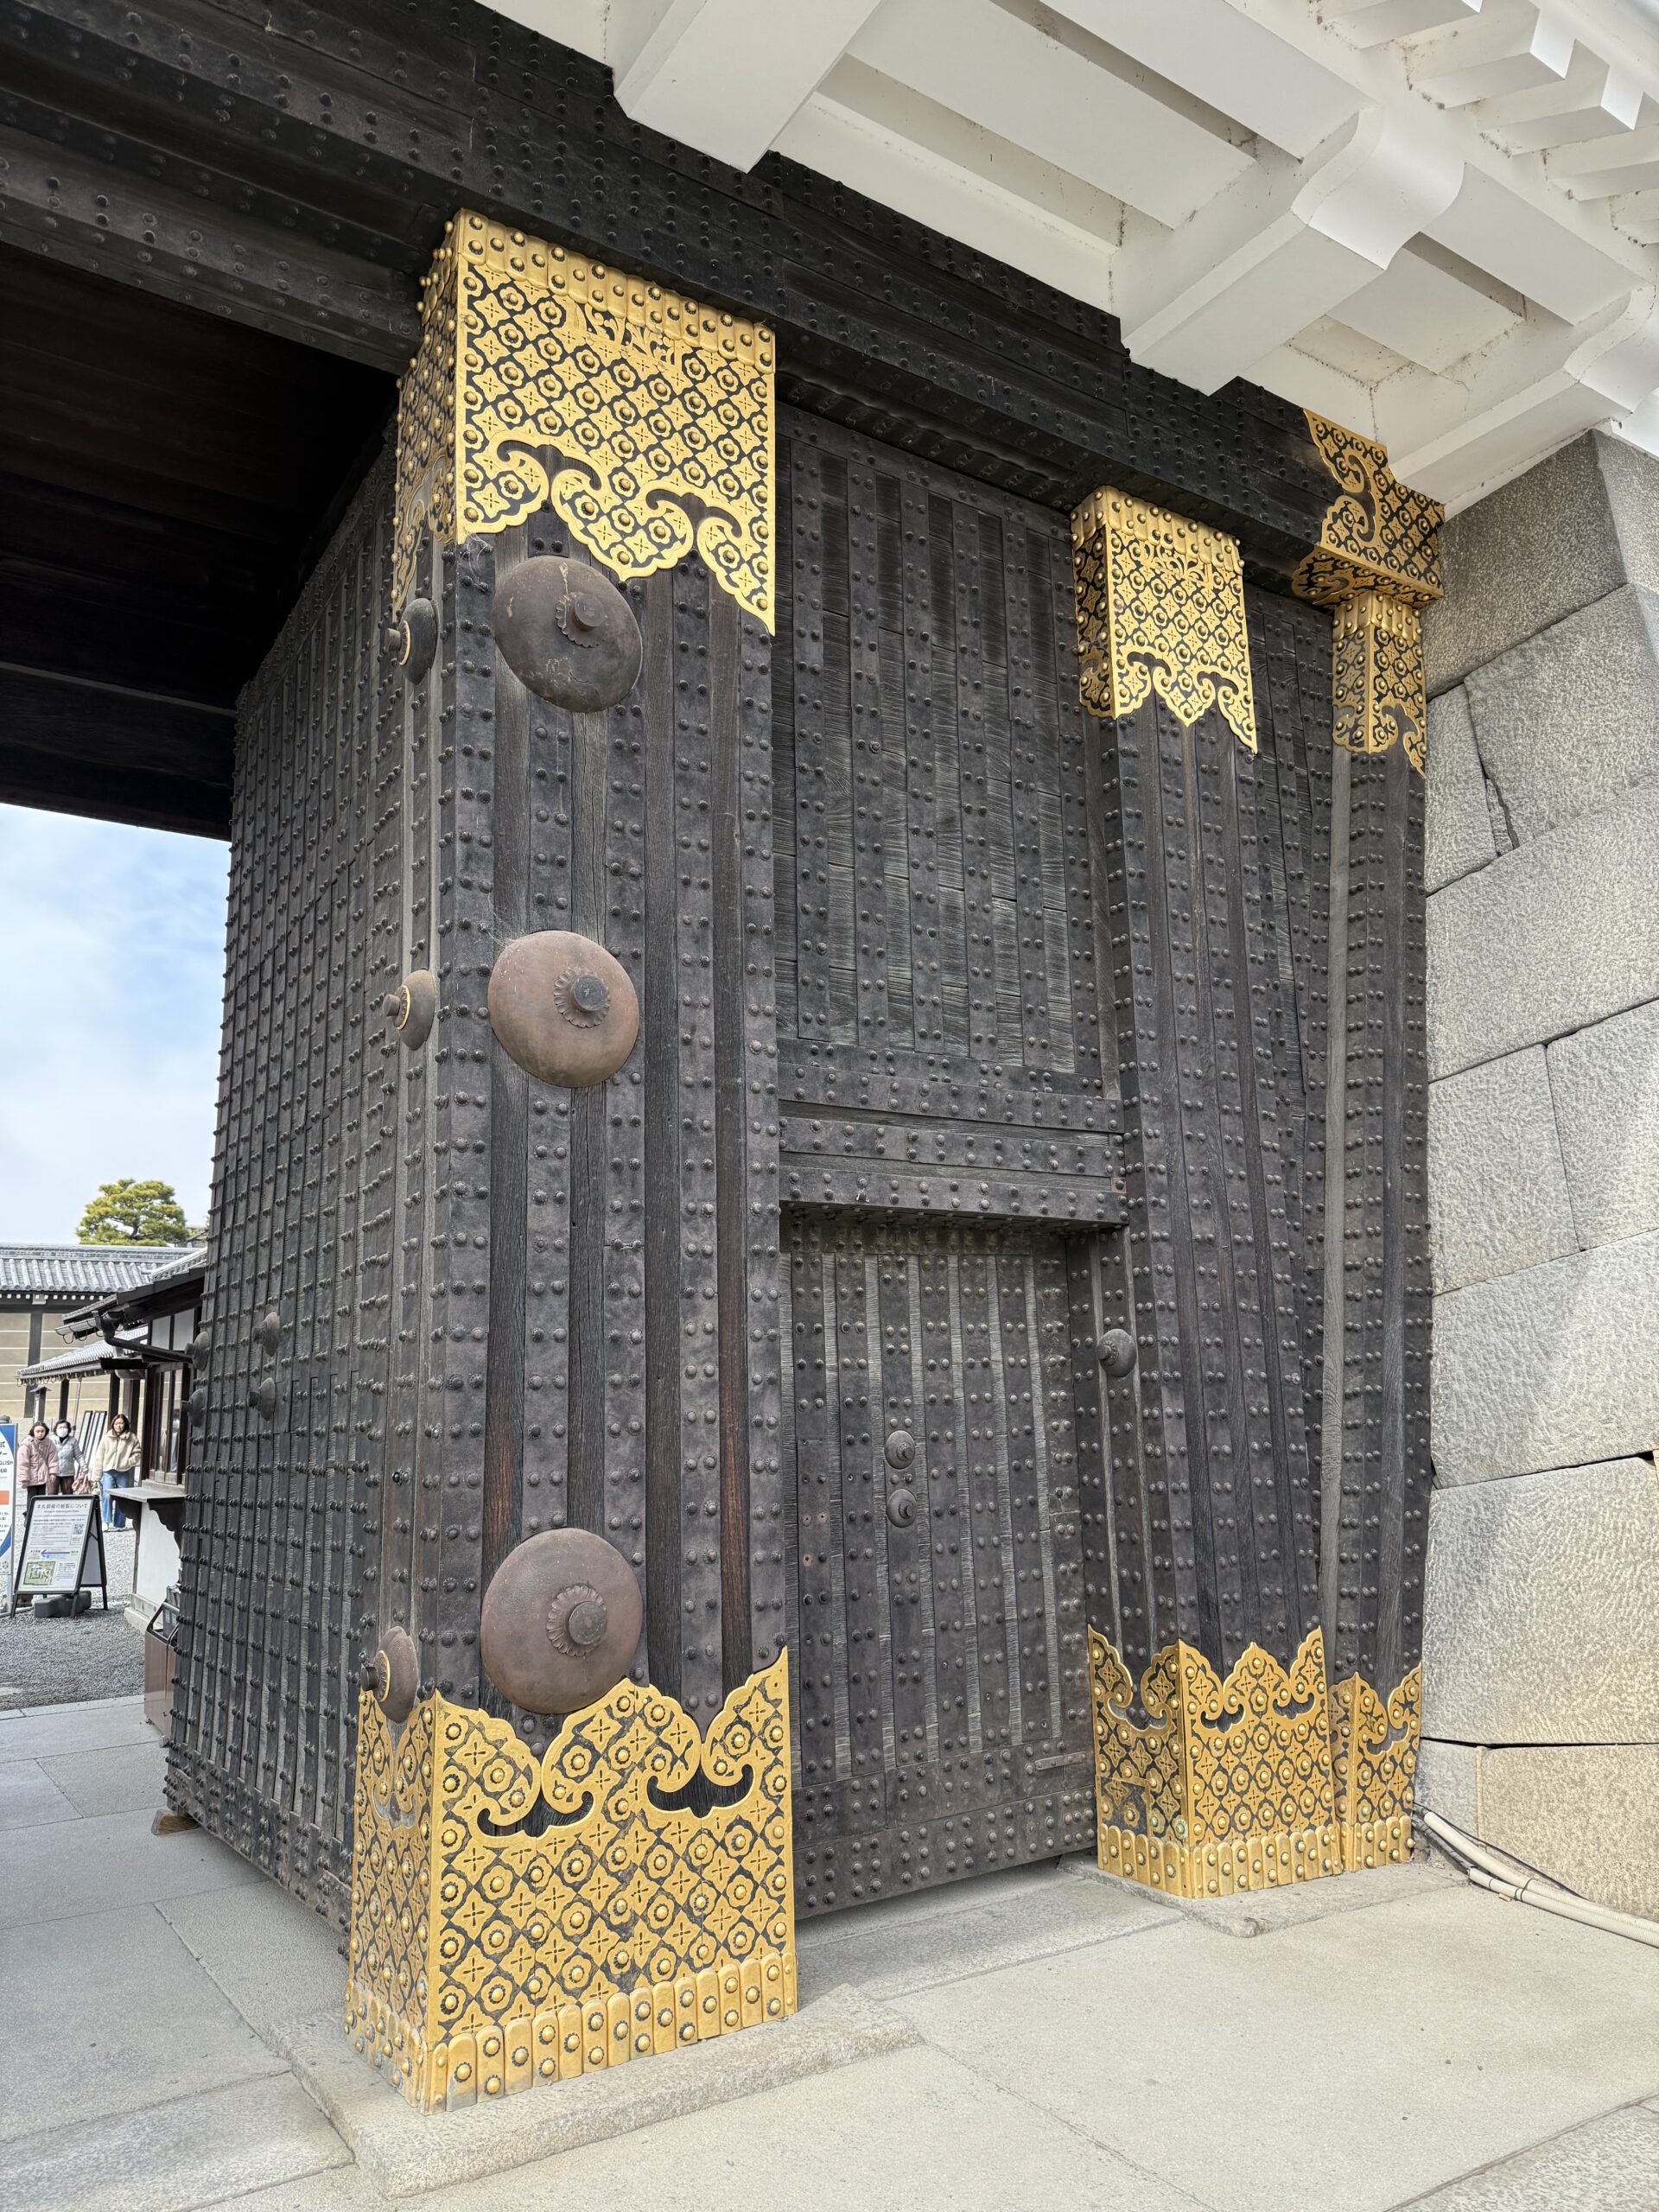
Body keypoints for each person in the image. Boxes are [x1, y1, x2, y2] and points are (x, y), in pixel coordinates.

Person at [92, 1411, 140, 1529]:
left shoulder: (131, 1438)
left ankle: (120, 1524)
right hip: (108, 1471)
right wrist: (95, 1477)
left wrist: (128, 1462)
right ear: (113, 1424)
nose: (119, 1426)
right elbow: (99, 1457)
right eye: (116, 1423)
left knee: (122, 1497)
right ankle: (106, 1521)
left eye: (121, 1423)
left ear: (125, 1424)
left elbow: (138, 1453)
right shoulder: (106, 1438)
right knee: (107, 1495)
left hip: (123, 1472)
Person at [18, 1421, 59, 1496]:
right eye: (38, 1431)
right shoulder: (27, 1443)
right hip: (31, 1478)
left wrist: (53, 1473)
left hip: (43, 1478)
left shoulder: (49, 1443)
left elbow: (53, 1459)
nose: (40, 1433)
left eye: (42, 1431)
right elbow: (23, 1463)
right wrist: (24, 1478)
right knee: (32, 1498)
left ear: (46, 1431)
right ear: (33, 1431)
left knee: (41, 1499)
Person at [52, 1418, 87, 1497]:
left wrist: (84, 1467)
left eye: (64, 1427)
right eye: (60, 1427)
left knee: (68, 1496)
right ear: (56, 1429)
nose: (62, 1429)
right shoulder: (51, 1440)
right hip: (53, 1473)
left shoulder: (73, 1441)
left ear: (68, 1429)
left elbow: (78, 1455)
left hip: (68, 1473)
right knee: (51, 1496)